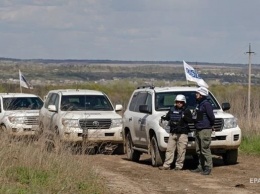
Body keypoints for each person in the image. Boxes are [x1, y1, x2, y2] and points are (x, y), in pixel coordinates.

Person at [159, 94, 192, 170]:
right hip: (173, 132)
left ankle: (178, 166)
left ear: (184, 102)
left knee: (181, 150)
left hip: (183, 133)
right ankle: (166, 165)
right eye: (177, 102)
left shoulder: (187, 110)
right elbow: (168, 117)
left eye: (181, 102)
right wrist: (163, 118)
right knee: (169, 150)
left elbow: (190, 120)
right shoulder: (172, 109)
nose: (179, 103)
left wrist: (184, 117)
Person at [191, 86, 215, 175]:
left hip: (205, 129)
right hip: (198, 129)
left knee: (205, 149)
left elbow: (212, 117)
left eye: (197, 93)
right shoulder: (199, 104)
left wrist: (211, 125)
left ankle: (208, 167)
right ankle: (201, 166)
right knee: (198, 150)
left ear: (201, 95)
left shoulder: (206, 104)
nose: (196, 95)